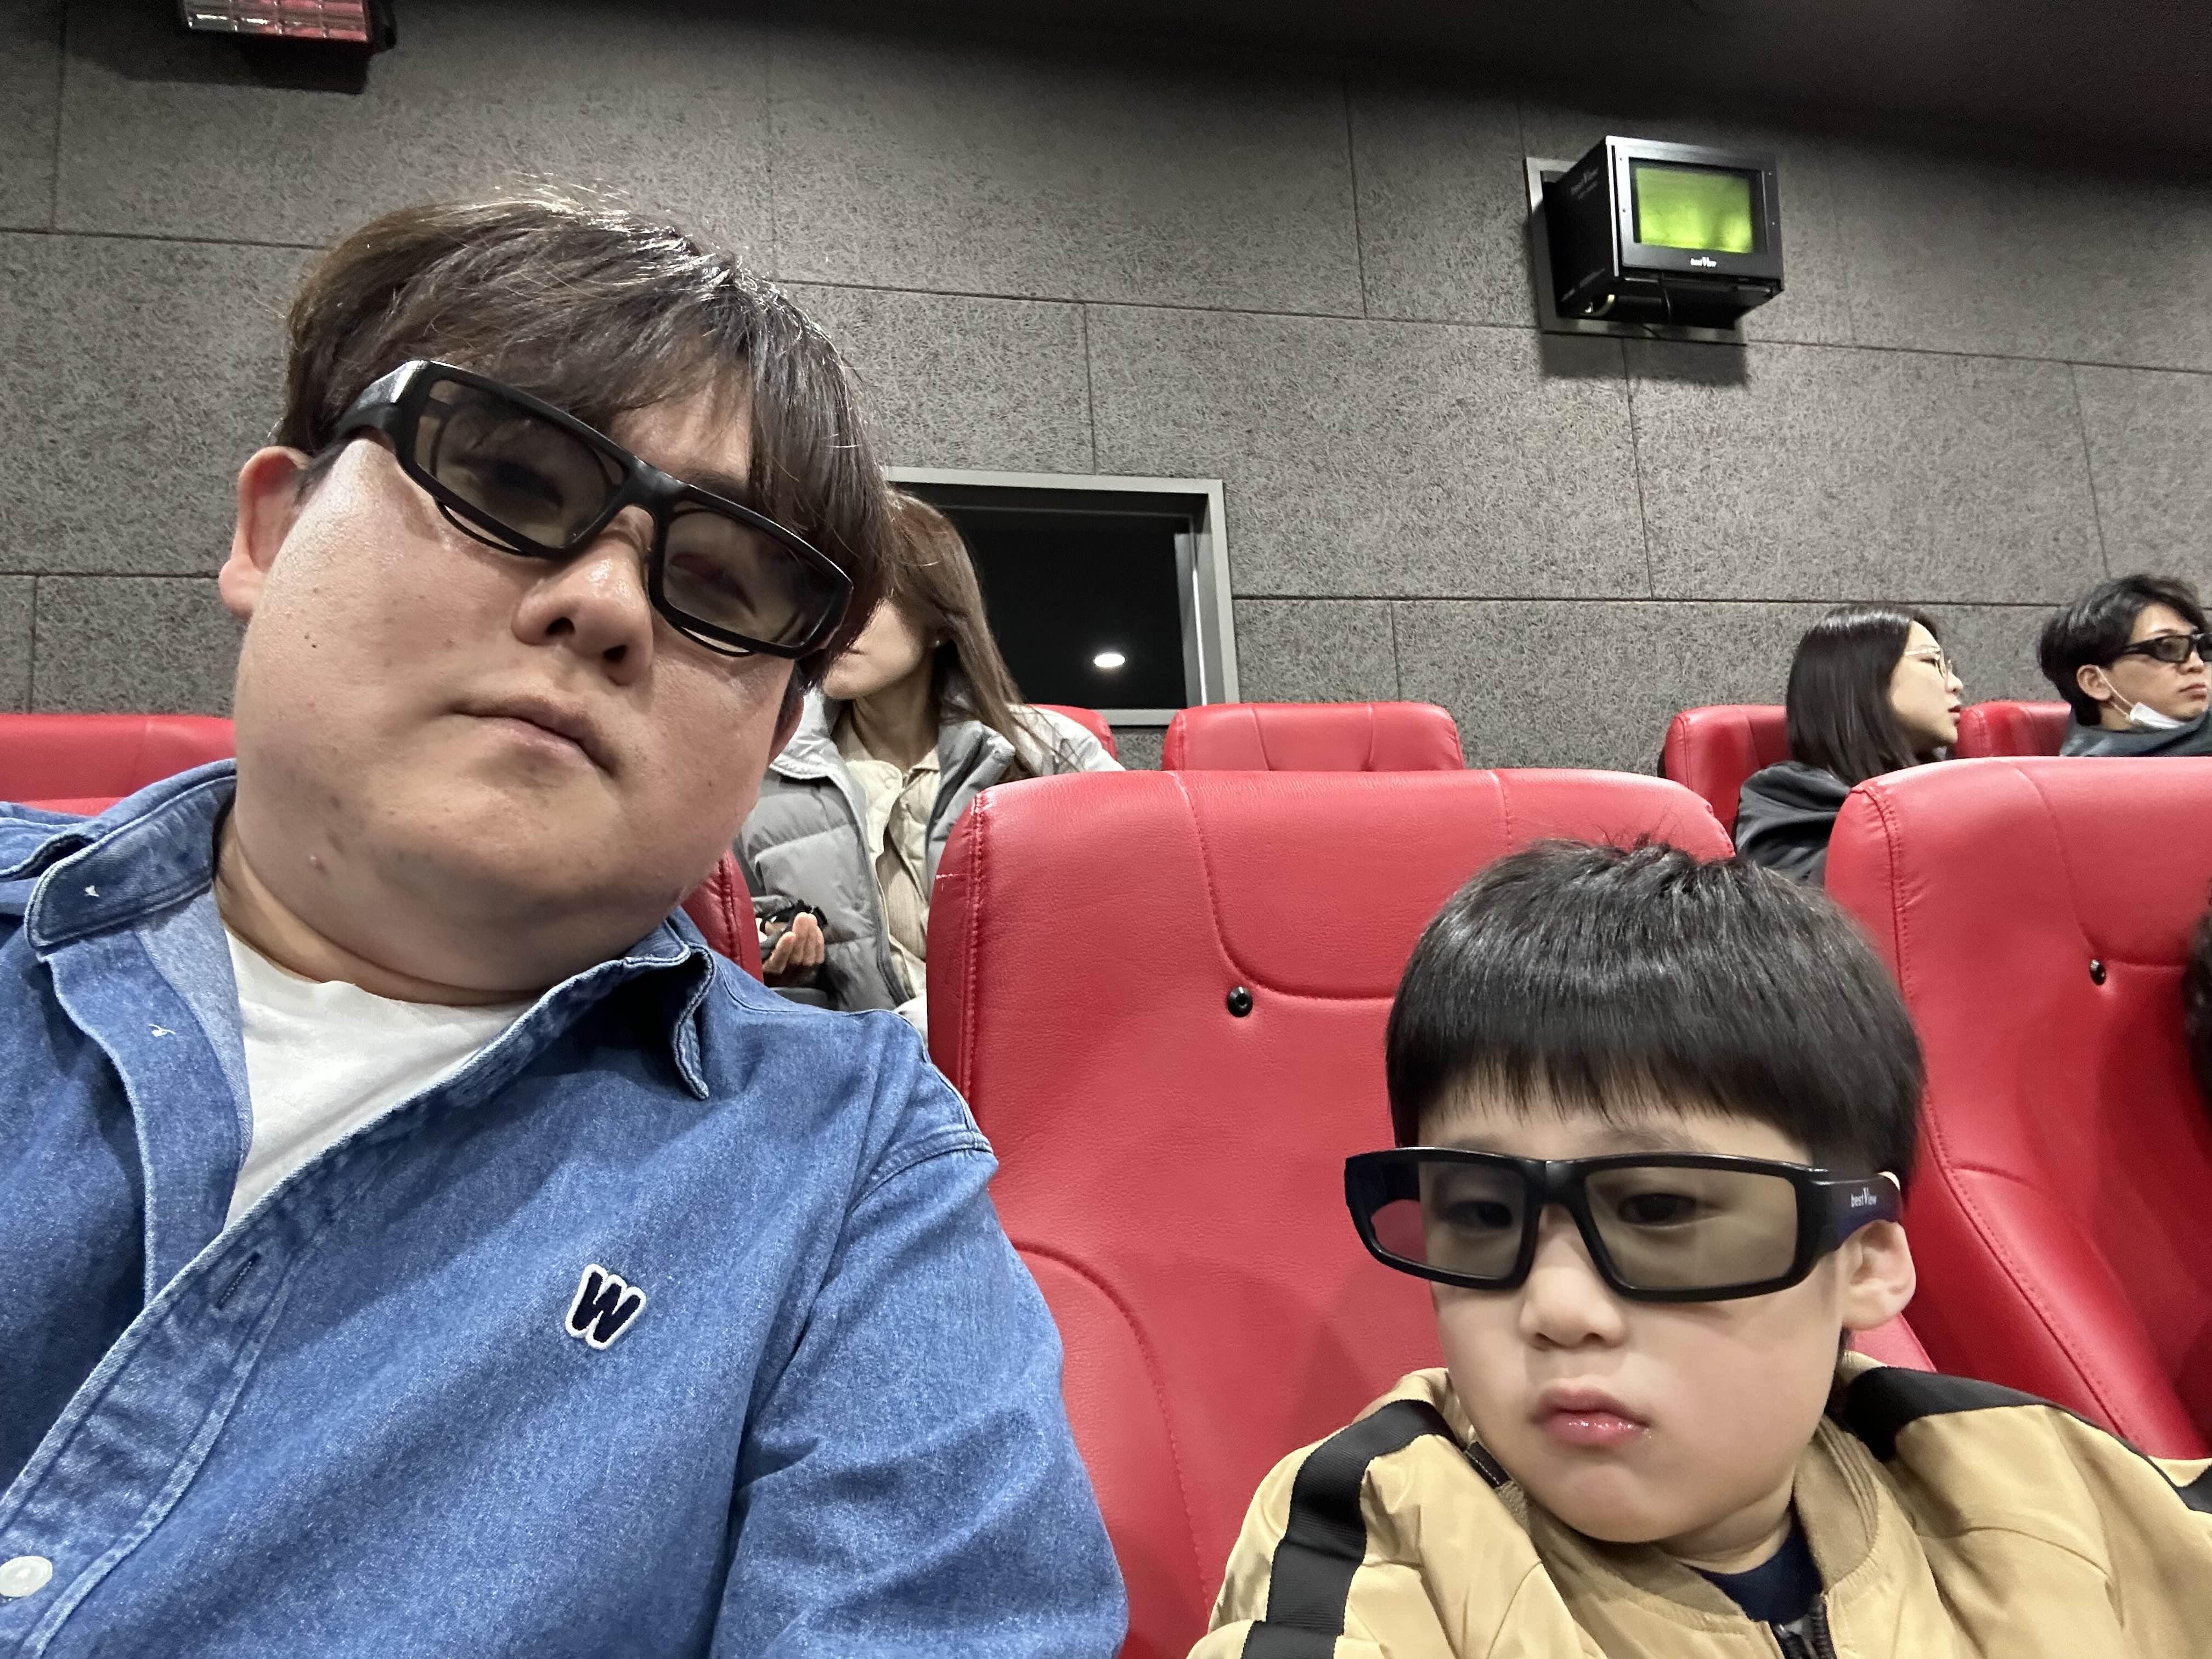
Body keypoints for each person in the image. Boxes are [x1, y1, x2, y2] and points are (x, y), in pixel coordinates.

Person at [0, 194, 1124, 1657]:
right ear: (272, 530)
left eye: (721, 583)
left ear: (772, 725)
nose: (603, 603)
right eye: (509, 484)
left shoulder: (850, 1166)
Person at [1193, 840, 2212, 1657]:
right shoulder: (1379, 1535)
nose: (1556, 1309)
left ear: (1865, 1255)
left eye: (1662, 1208)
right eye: (1484, 1215)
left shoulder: (2032, 1475)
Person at [740, 491, 1119, 1028]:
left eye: (870, 595)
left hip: (1031, 1051)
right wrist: (782, 971)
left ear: (940, 621)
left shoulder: (1051, 750)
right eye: (829, 591)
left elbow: (1143, 909)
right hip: (860, 1068)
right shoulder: (767, 768)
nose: (838, 620)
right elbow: (732, 971)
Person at [1735, 604, 1962, 882]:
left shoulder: (1946, 786)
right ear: (1863, 677)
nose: (1955, 684)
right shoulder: (1784, 797)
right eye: (1932, 662)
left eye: (1948, 668)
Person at [2039, 573, 2212, 755]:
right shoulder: (2090, 771)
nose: (2197, 664)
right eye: (2167, 647)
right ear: (2095, 682)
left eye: (2202, 646)